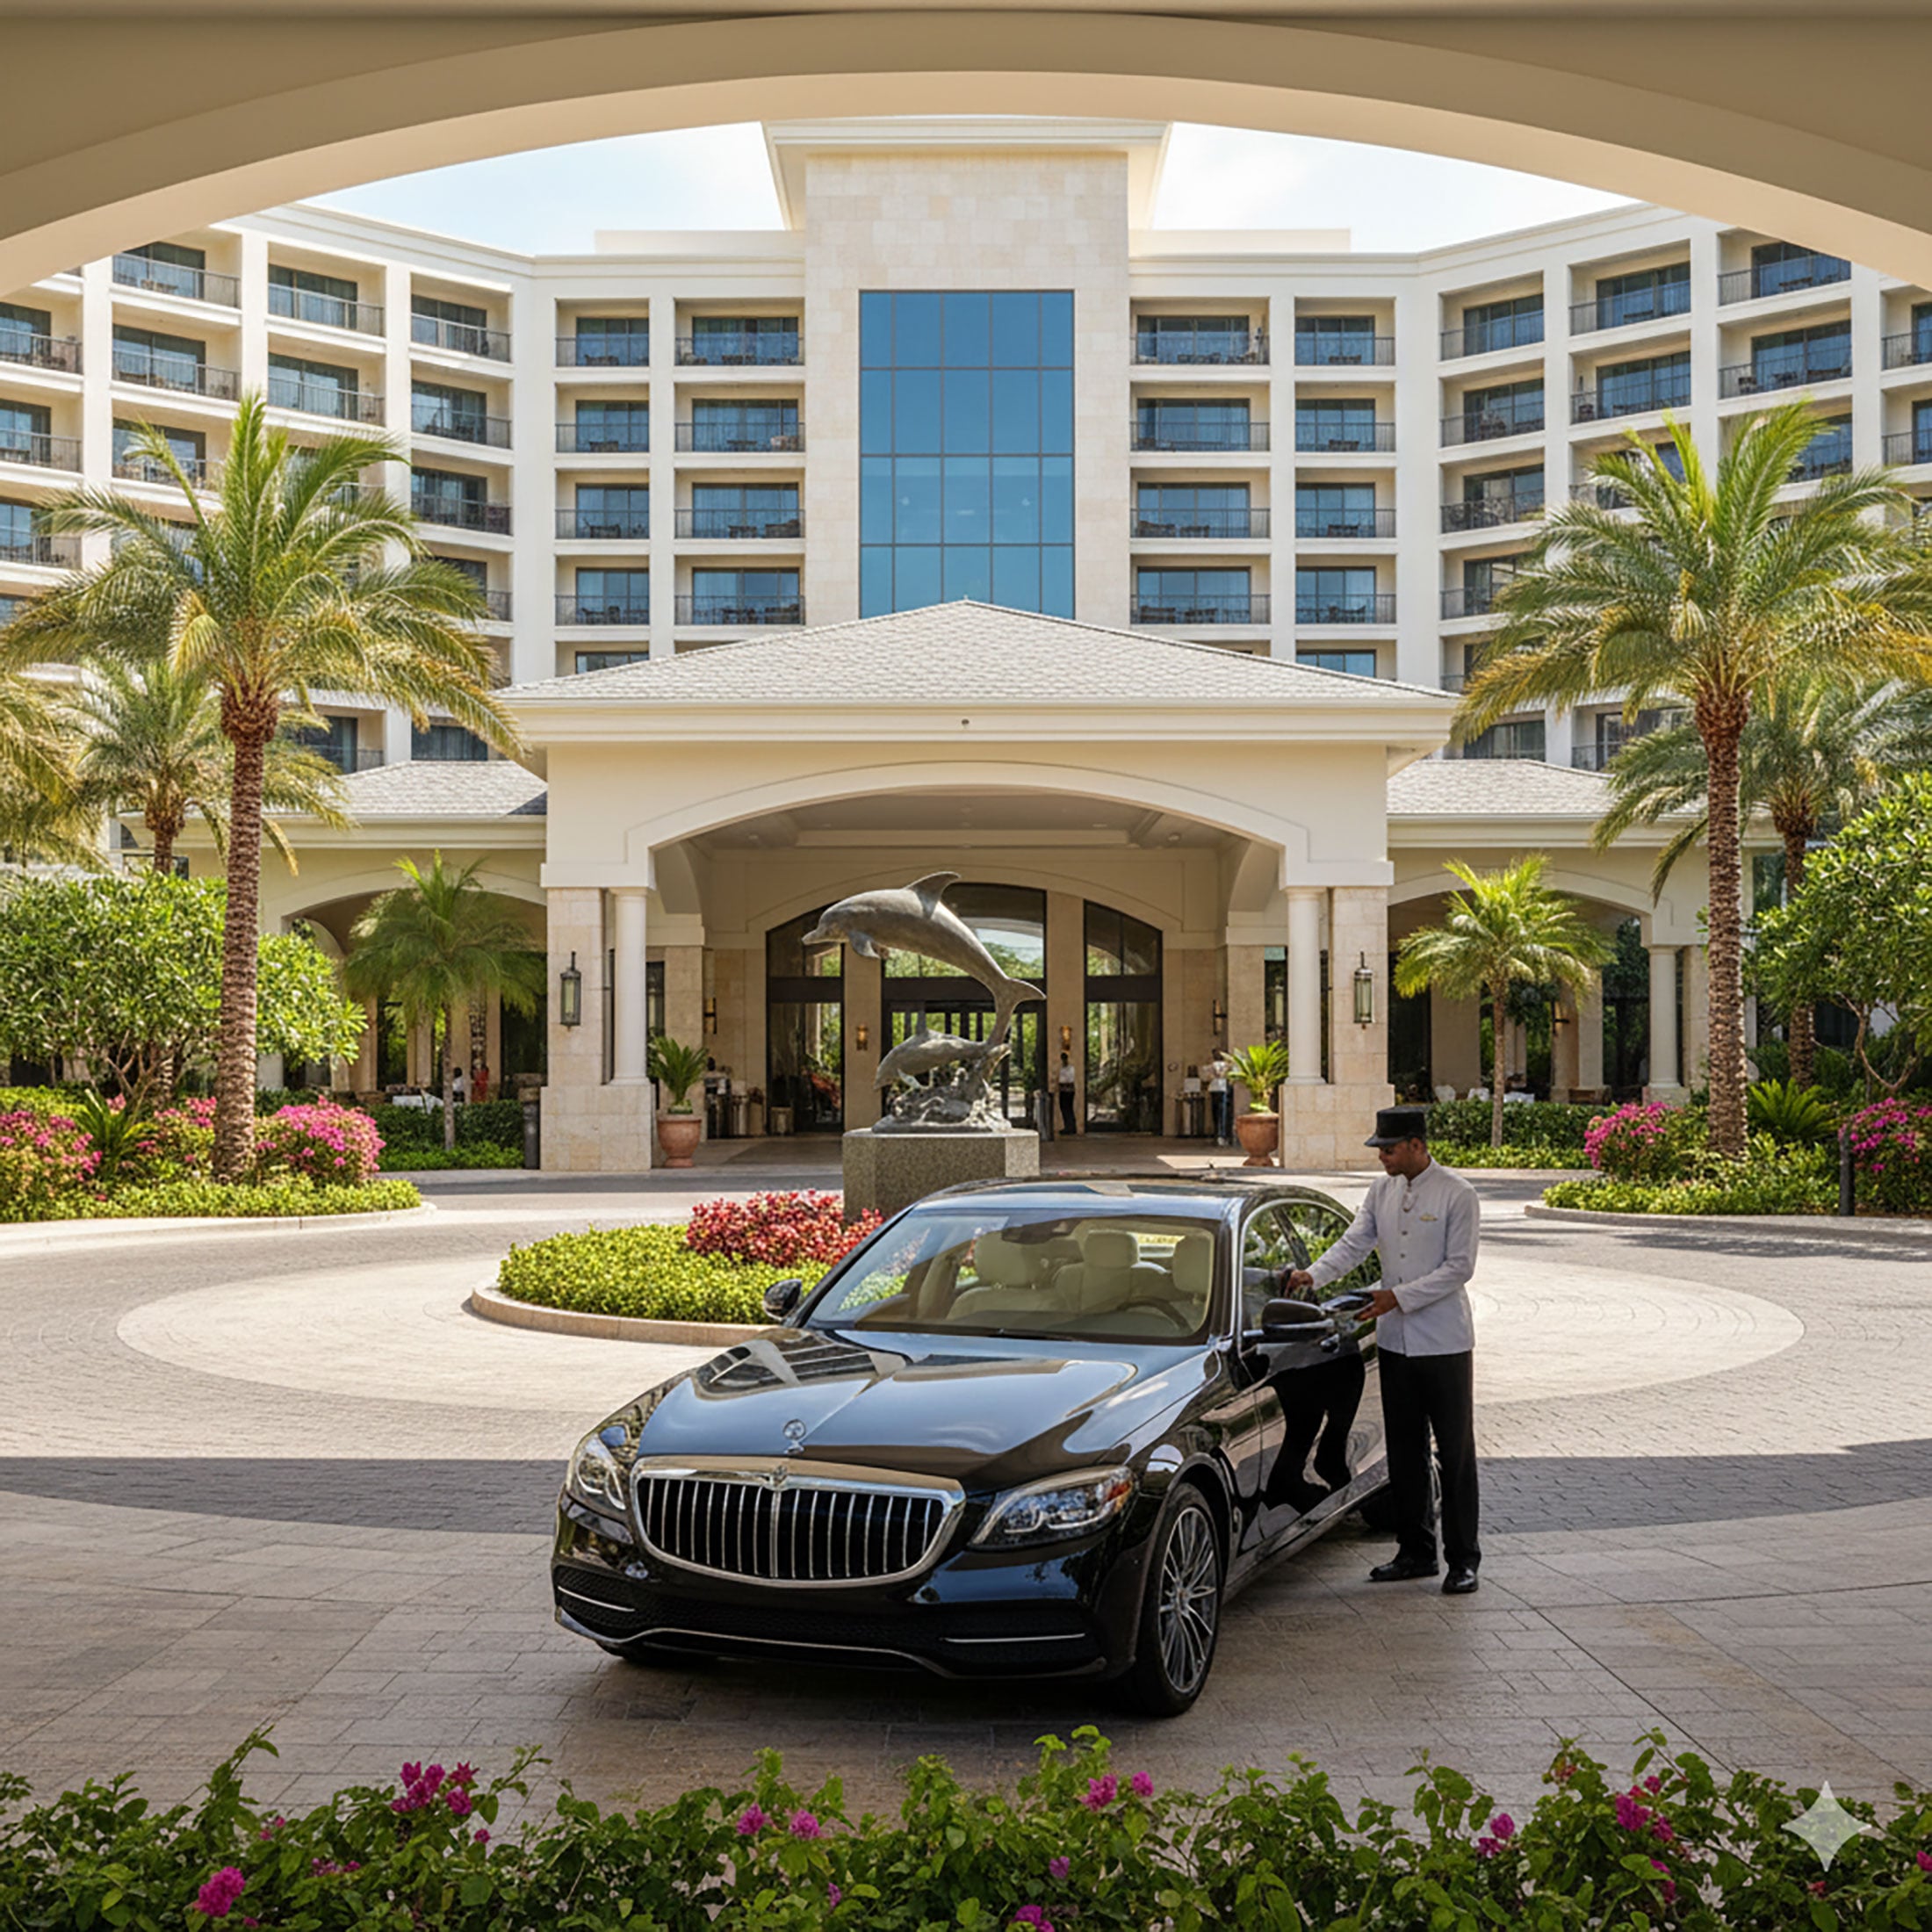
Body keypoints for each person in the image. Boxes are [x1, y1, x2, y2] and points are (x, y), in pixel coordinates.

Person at [1286, 1103, 1482, 1596]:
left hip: (1444, 1343)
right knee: (1404, 1451)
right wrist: (1314, 1274)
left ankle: (1463, 1560)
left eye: (1390, 1150)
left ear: (1418, 1145)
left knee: (1454, 1454)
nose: (1383, 1159)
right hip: (1395, 1342)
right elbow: (1355, 1243)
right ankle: (1415, 1552)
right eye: (1380, 1151)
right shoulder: (1381, 1190)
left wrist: (1399, 1297)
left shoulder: (1459, 1194)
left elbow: (1459, 1268)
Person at [1056, 1051, 1078, 1135]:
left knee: (1067, 1108)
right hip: (1065, 1090)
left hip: (1067, 1090)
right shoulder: (1065, 1068)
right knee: (1065, 1109)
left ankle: (1070, 1127)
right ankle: (1068, 1126)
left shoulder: (1068, 1068)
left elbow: (1066, 1080)